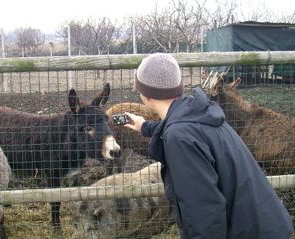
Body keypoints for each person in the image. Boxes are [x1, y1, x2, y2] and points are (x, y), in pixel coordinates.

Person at [124, 53, 293, 239]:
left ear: (145, 95)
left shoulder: (179, 137)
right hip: (264, 224)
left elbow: (203, 214)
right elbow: (185, 130)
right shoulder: (199, 112)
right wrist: (145, 126)